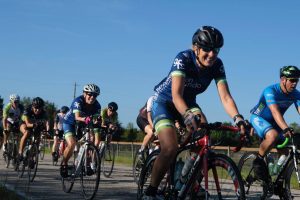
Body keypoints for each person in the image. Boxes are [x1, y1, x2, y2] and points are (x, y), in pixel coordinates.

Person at [143, 26, 246, 199]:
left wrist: (238, 118)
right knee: (170, 147)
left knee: (205, 135)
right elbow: (176, 96)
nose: (212, 54)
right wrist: (187, 116)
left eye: (216, 50)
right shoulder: (183, 58)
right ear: (195, 48)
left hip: (189, 102)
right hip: (165, 102)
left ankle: (186, 180)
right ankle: (150, 191)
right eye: (206, 49)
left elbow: (226, 97)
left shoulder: (217, 65)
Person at [250, 65, 300, 185]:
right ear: (283, 79)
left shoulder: (296, 94)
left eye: (296, 80)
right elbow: (275, 112)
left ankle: (275, 172)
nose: (294, 84)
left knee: (286, 149)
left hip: (275, 122)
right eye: (292, 80)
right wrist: (286, 128)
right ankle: (258, 162)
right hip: (259, 118)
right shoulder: (270, 91)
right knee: (272, 135)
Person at [61, 83, 101, 178]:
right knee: (72, 144)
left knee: (91, 139)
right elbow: (77, 117)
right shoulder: (78, 101)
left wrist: (98, 121)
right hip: (70, 123)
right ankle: (64, 164)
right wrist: (86, 119)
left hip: (83, 123)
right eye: (90, 94)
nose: (92, 97)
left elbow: (95, 120)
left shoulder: (97, 105)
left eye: (95, 95)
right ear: (84, 93)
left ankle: (87, 163)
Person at [18, 97, 50, 162]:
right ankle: (20, 153)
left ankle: (31, 157)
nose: (37, 110)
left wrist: (47, 130)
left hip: (35, 124)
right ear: (32, 106)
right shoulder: (28, 109)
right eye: (36, 108)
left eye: (39, 108)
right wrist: (34, 125)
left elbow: (47, 123)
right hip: (25, 123)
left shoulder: (44, 112)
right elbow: (27, 124)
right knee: (27, 133)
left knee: (37, 140)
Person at [136, 95, 155, 160]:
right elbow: (149, 117)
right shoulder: (152, 99)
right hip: (143, 118)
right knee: (151, 132)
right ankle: (141, 150)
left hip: (152, 120)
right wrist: (154, 128)